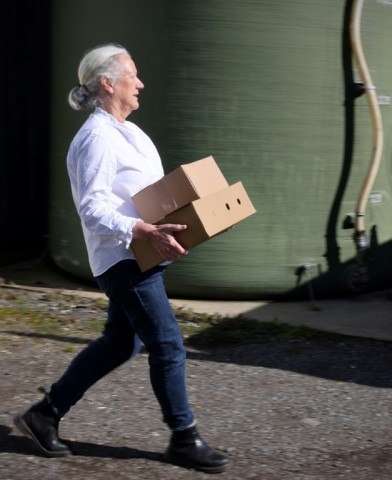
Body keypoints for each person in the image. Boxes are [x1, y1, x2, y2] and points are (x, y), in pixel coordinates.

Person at [13, 43, 229, 474]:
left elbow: (145, 197)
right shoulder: (95, 138)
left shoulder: (130, 133)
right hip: (123, 259)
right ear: (108, 83)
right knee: (166, 344)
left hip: (141, 255)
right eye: (133, 74)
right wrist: (142, 230)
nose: (141, 82)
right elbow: (91, 208)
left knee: (120, 343)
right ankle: (183, 438)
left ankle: (44, 414)